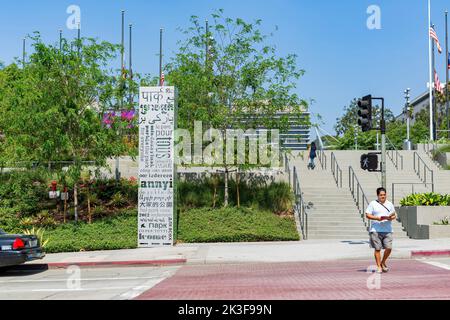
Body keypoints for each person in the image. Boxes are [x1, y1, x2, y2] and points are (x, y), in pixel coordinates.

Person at [365, 187, 397, 274]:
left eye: (384, 195)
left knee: (389, 248)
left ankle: (383, 262)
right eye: (381, 195)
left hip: (388, 229)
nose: (383, 196)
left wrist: (391, 217)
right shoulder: (373, 203)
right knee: (377, 249)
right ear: (377, 195)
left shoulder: (390, 204)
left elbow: (394, 215)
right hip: (376, 230)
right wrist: (377, 218)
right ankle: (379, 266)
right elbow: (367, 215)